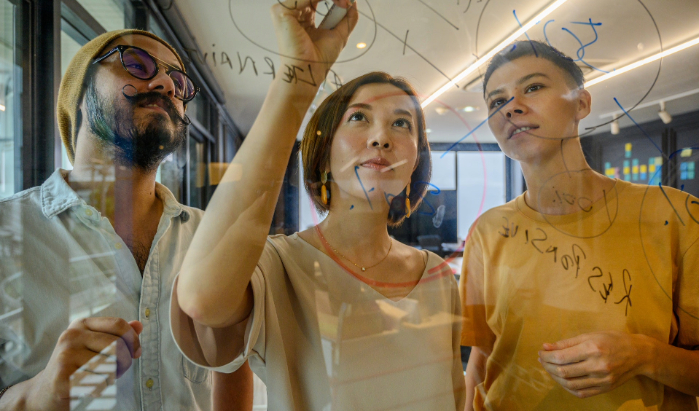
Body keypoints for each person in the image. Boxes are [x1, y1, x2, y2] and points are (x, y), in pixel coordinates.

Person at [170, 1, 466, 410]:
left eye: (402, 123)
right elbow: (203, 298)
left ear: (416, 161)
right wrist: (297, 84)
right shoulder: (279, 266)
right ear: (323, 155)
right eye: (359, 118)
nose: (381, 136)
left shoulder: (438, 277)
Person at [0, 29, 252, 410]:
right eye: (136, 63)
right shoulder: (7, 235)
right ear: (80, 95)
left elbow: (231, 370)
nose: (167, 83)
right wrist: (39, 395)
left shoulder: (211, 239)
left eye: (179, 82)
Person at [459, 40, 699, 410]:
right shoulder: (488, 231)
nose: (512, 108)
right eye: (497, 101)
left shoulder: (674, 215)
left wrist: (645, 355)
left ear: (582, 104)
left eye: (533, 87)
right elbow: (483, 355)